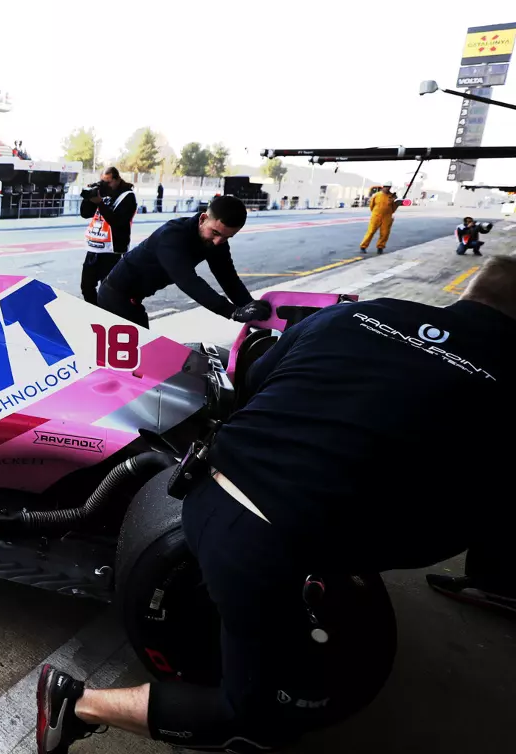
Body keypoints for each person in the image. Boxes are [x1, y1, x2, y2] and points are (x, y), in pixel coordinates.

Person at [37, 255, 516, 754]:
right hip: (259, 537)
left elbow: (252, 378)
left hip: (204, 488)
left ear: (469, 293)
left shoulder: (361, 314)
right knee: (258, 721)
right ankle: (75, 702)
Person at [97, 196, 266, 328]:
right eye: (214, 232)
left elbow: (228, 278)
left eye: (227, 237)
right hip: (115, 295)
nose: (218, 241)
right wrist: (233, 312)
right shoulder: (172, 236)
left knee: (143, 355)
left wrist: (250, 306)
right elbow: (188, 281)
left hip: (134, 298)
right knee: (140, 357)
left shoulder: (216, 241)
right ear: (203, 219)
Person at [79, 167, 137, 306]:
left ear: (117, 179)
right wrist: (89, 198)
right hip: (94, 248)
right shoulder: (102, 193)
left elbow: (117, 221)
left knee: (110, 291)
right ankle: (95, 311)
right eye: (103, 181)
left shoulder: (127, 196)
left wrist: (100, 203)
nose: (106, 185)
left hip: (113, 250)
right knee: (86, 287)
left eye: (108, 182)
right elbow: (85, 214)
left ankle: (107, 315)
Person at [359, 184, 399, 254]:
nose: (387, 189)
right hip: (376, 216)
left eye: (389, 187)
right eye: (386, 187)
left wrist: (395, 202)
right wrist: (375, 212)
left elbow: (393, 209)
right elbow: (371, 206)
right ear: (383, 187)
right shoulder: (377, 195)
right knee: (371, 232)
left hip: (387, 217)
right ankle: (363, 246)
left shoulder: (392, 197)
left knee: (385, 233)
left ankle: (380, 247)